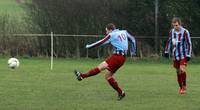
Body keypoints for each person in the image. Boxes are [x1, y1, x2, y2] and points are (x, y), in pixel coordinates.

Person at [74, 23, 136, 100]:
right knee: (108, 76)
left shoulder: (112, 35)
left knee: (101, 67)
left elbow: (101, 42)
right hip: (122, 58)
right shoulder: (124, 32)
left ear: (110, 30)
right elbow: (133, 39)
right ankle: (121, 93)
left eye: (107, 31)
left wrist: (89, 46)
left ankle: (82, 76)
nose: (106, 33)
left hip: (117, 57)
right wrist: (133, 52)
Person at [164, 17, 192, 94]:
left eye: (176, 25)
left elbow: (189, 43)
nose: (175, 27)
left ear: (179, 24)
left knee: (182, 69)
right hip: (175, 55)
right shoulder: (171, 32)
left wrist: (188, 54)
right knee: (178, 72)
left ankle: (184, 85)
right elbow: (169, 42)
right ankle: (181, 88)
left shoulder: (185, 32)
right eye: (174, 25)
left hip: (183, 55)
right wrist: (166, 51)